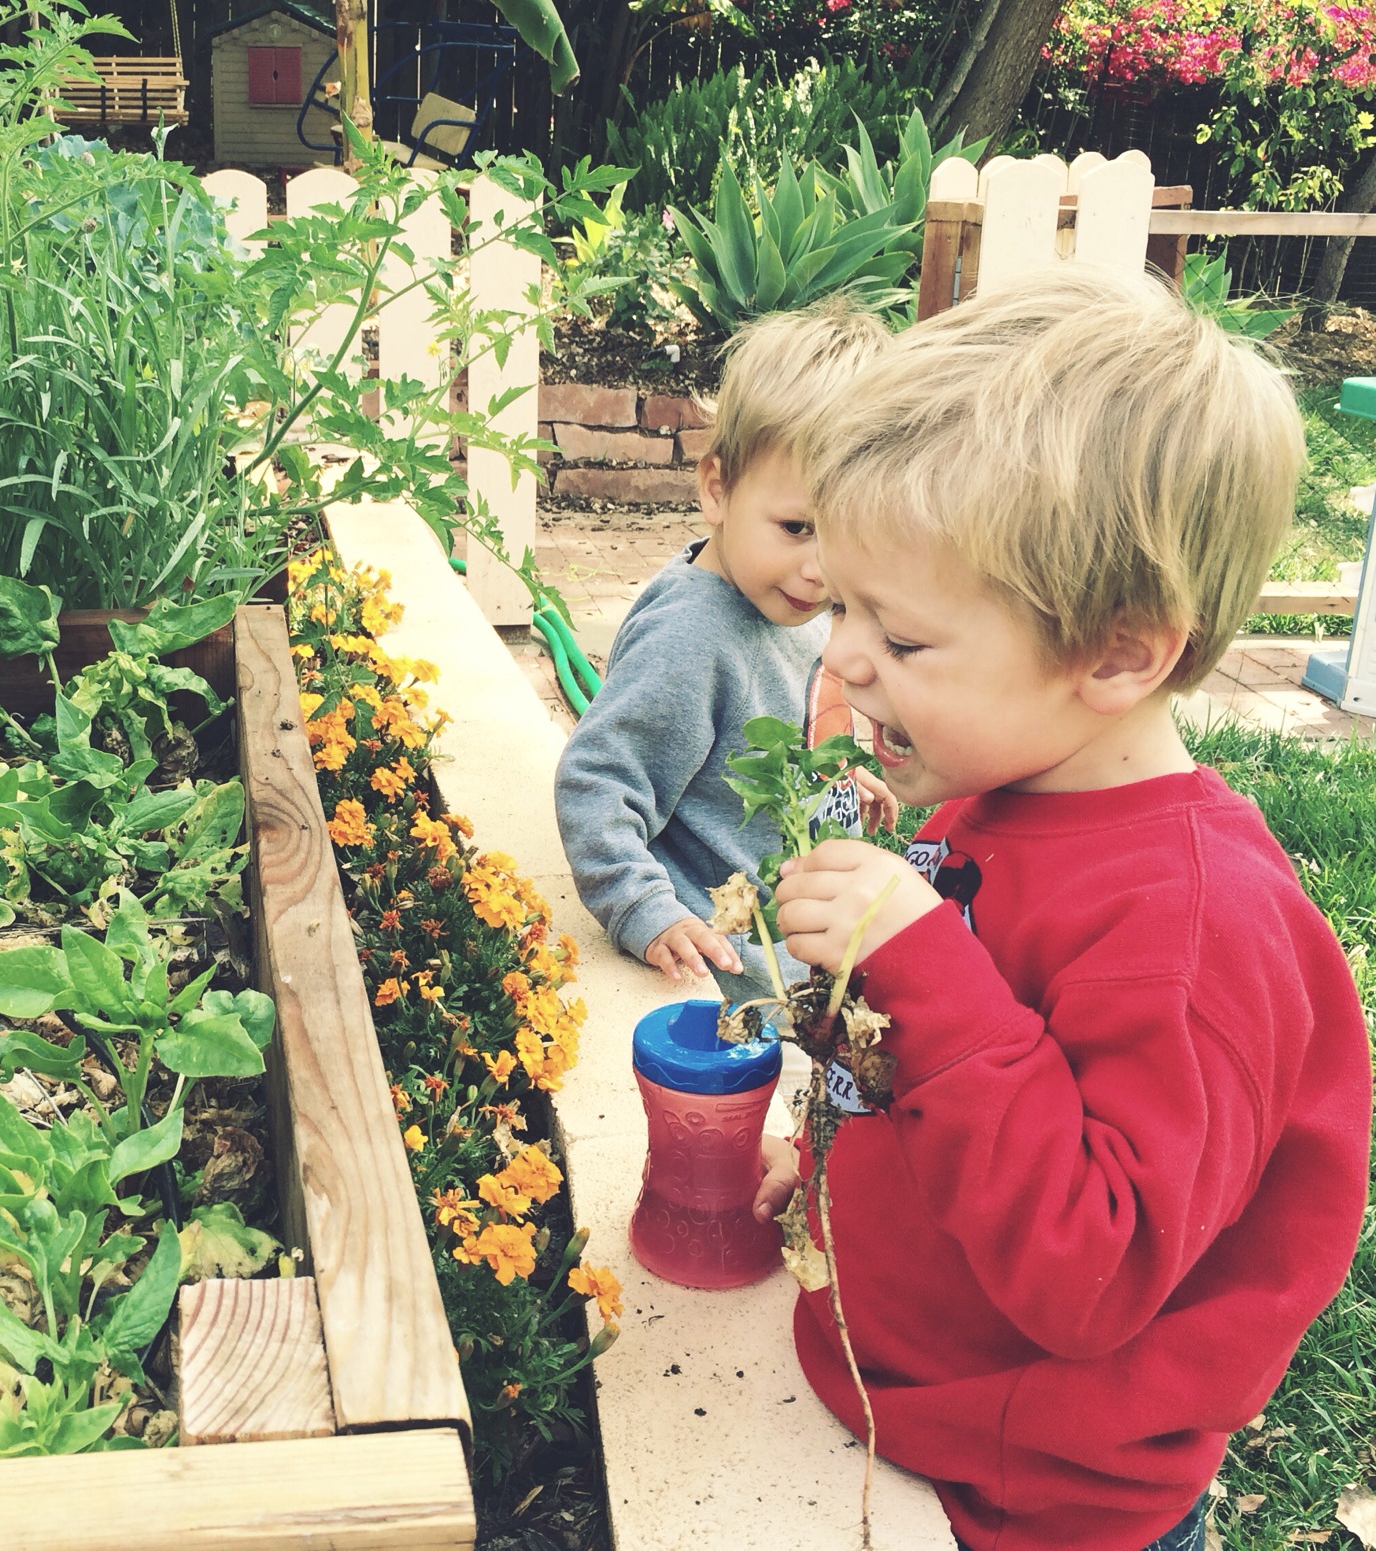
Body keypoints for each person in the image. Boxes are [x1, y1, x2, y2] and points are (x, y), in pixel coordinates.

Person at [761, 265, 1372, 1551]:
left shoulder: (1195, 937)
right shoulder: (985, 797)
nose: (846, 657)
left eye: (906, 638)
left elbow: (1093, 1276)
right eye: (844, 606)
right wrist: (826, 1162)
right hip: (902, 1405)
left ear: (1118, 653)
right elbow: (930, 1078)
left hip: (1044, 1498)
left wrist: (927, 967)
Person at [554, 299, 896, 987]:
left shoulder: (784, 600)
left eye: (847, 537)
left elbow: (751, 741)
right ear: (716, 488)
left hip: (800, 945)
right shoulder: (693, 636)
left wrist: (830, 780)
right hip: (741, 978)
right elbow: (597, 781)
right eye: (797, 527)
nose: (820, 567)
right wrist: (645, 909)